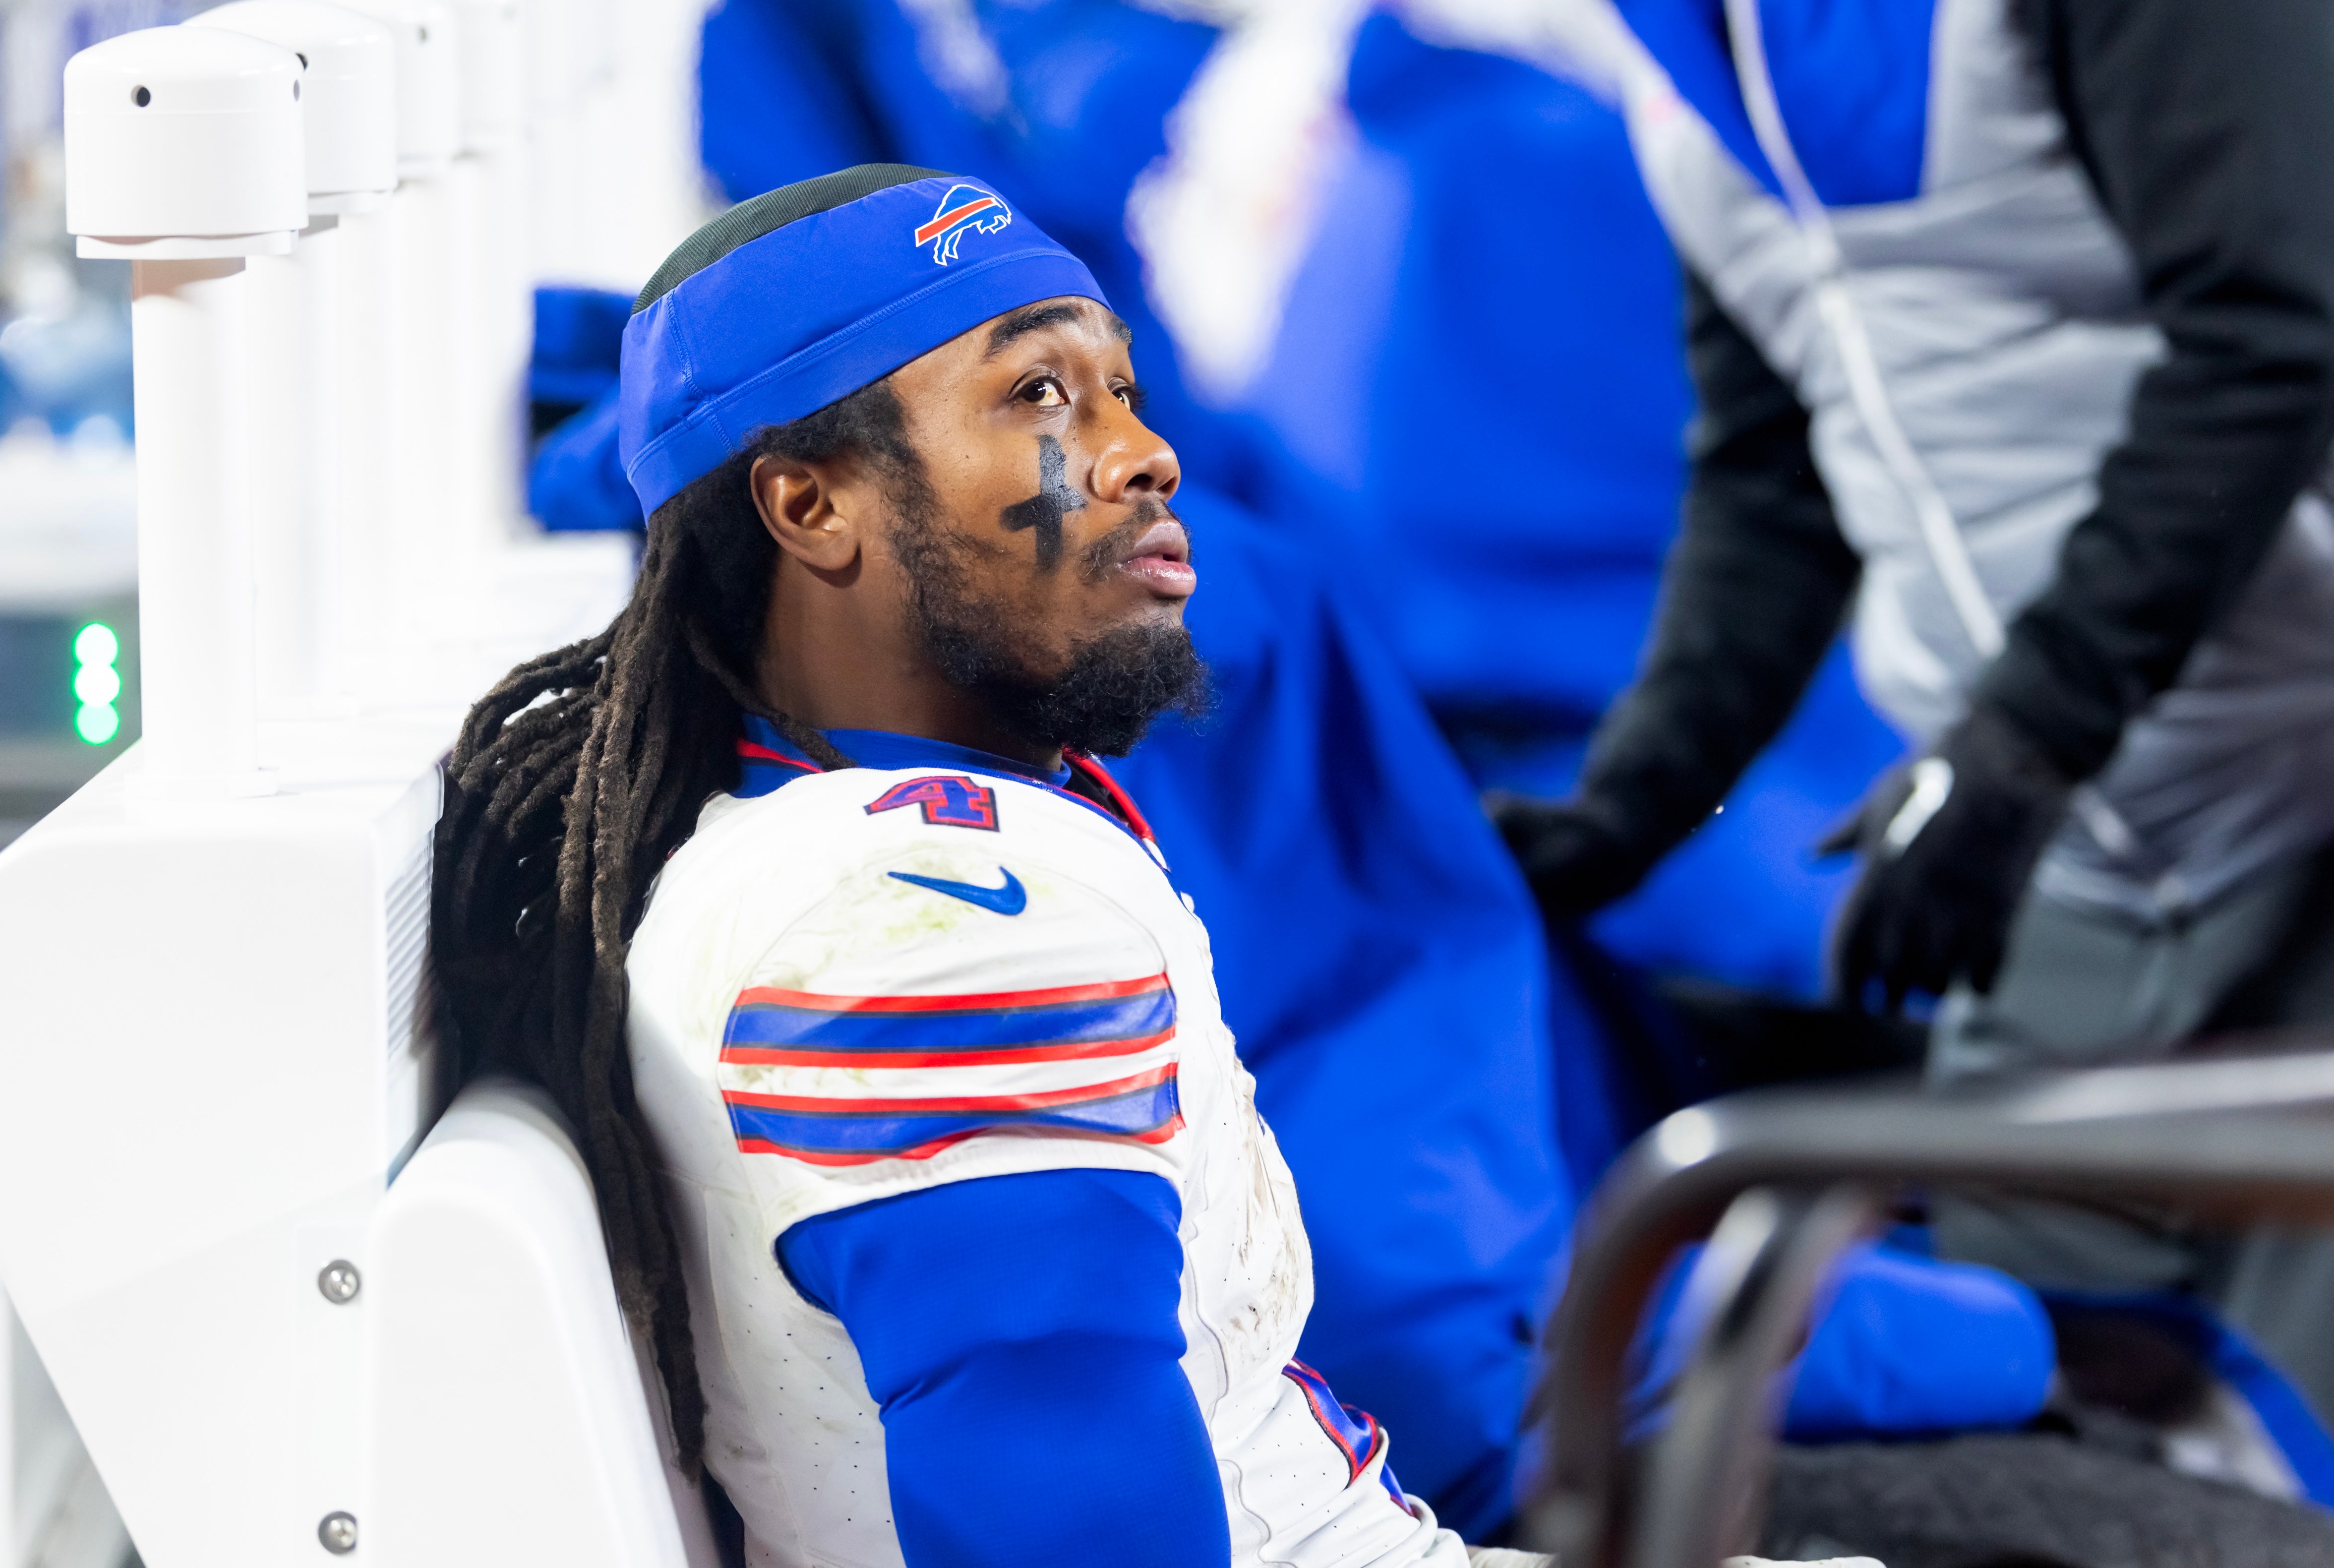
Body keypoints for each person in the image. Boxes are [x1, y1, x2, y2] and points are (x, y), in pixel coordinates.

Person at [433, 163, 1616, 1568]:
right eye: (1039, 395)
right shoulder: (933, 922)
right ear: (810, 507)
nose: (1140, 451)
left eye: (1120, 388)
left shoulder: (820, 831)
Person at [1496, 0, 2334, 1405]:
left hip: (2288, 769)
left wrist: (2021, 742)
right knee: (2051, 1386)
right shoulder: (1680, 52)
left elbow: (2272, 328)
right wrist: (1636, 797)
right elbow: (1774, 461)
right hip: (2076, 831)